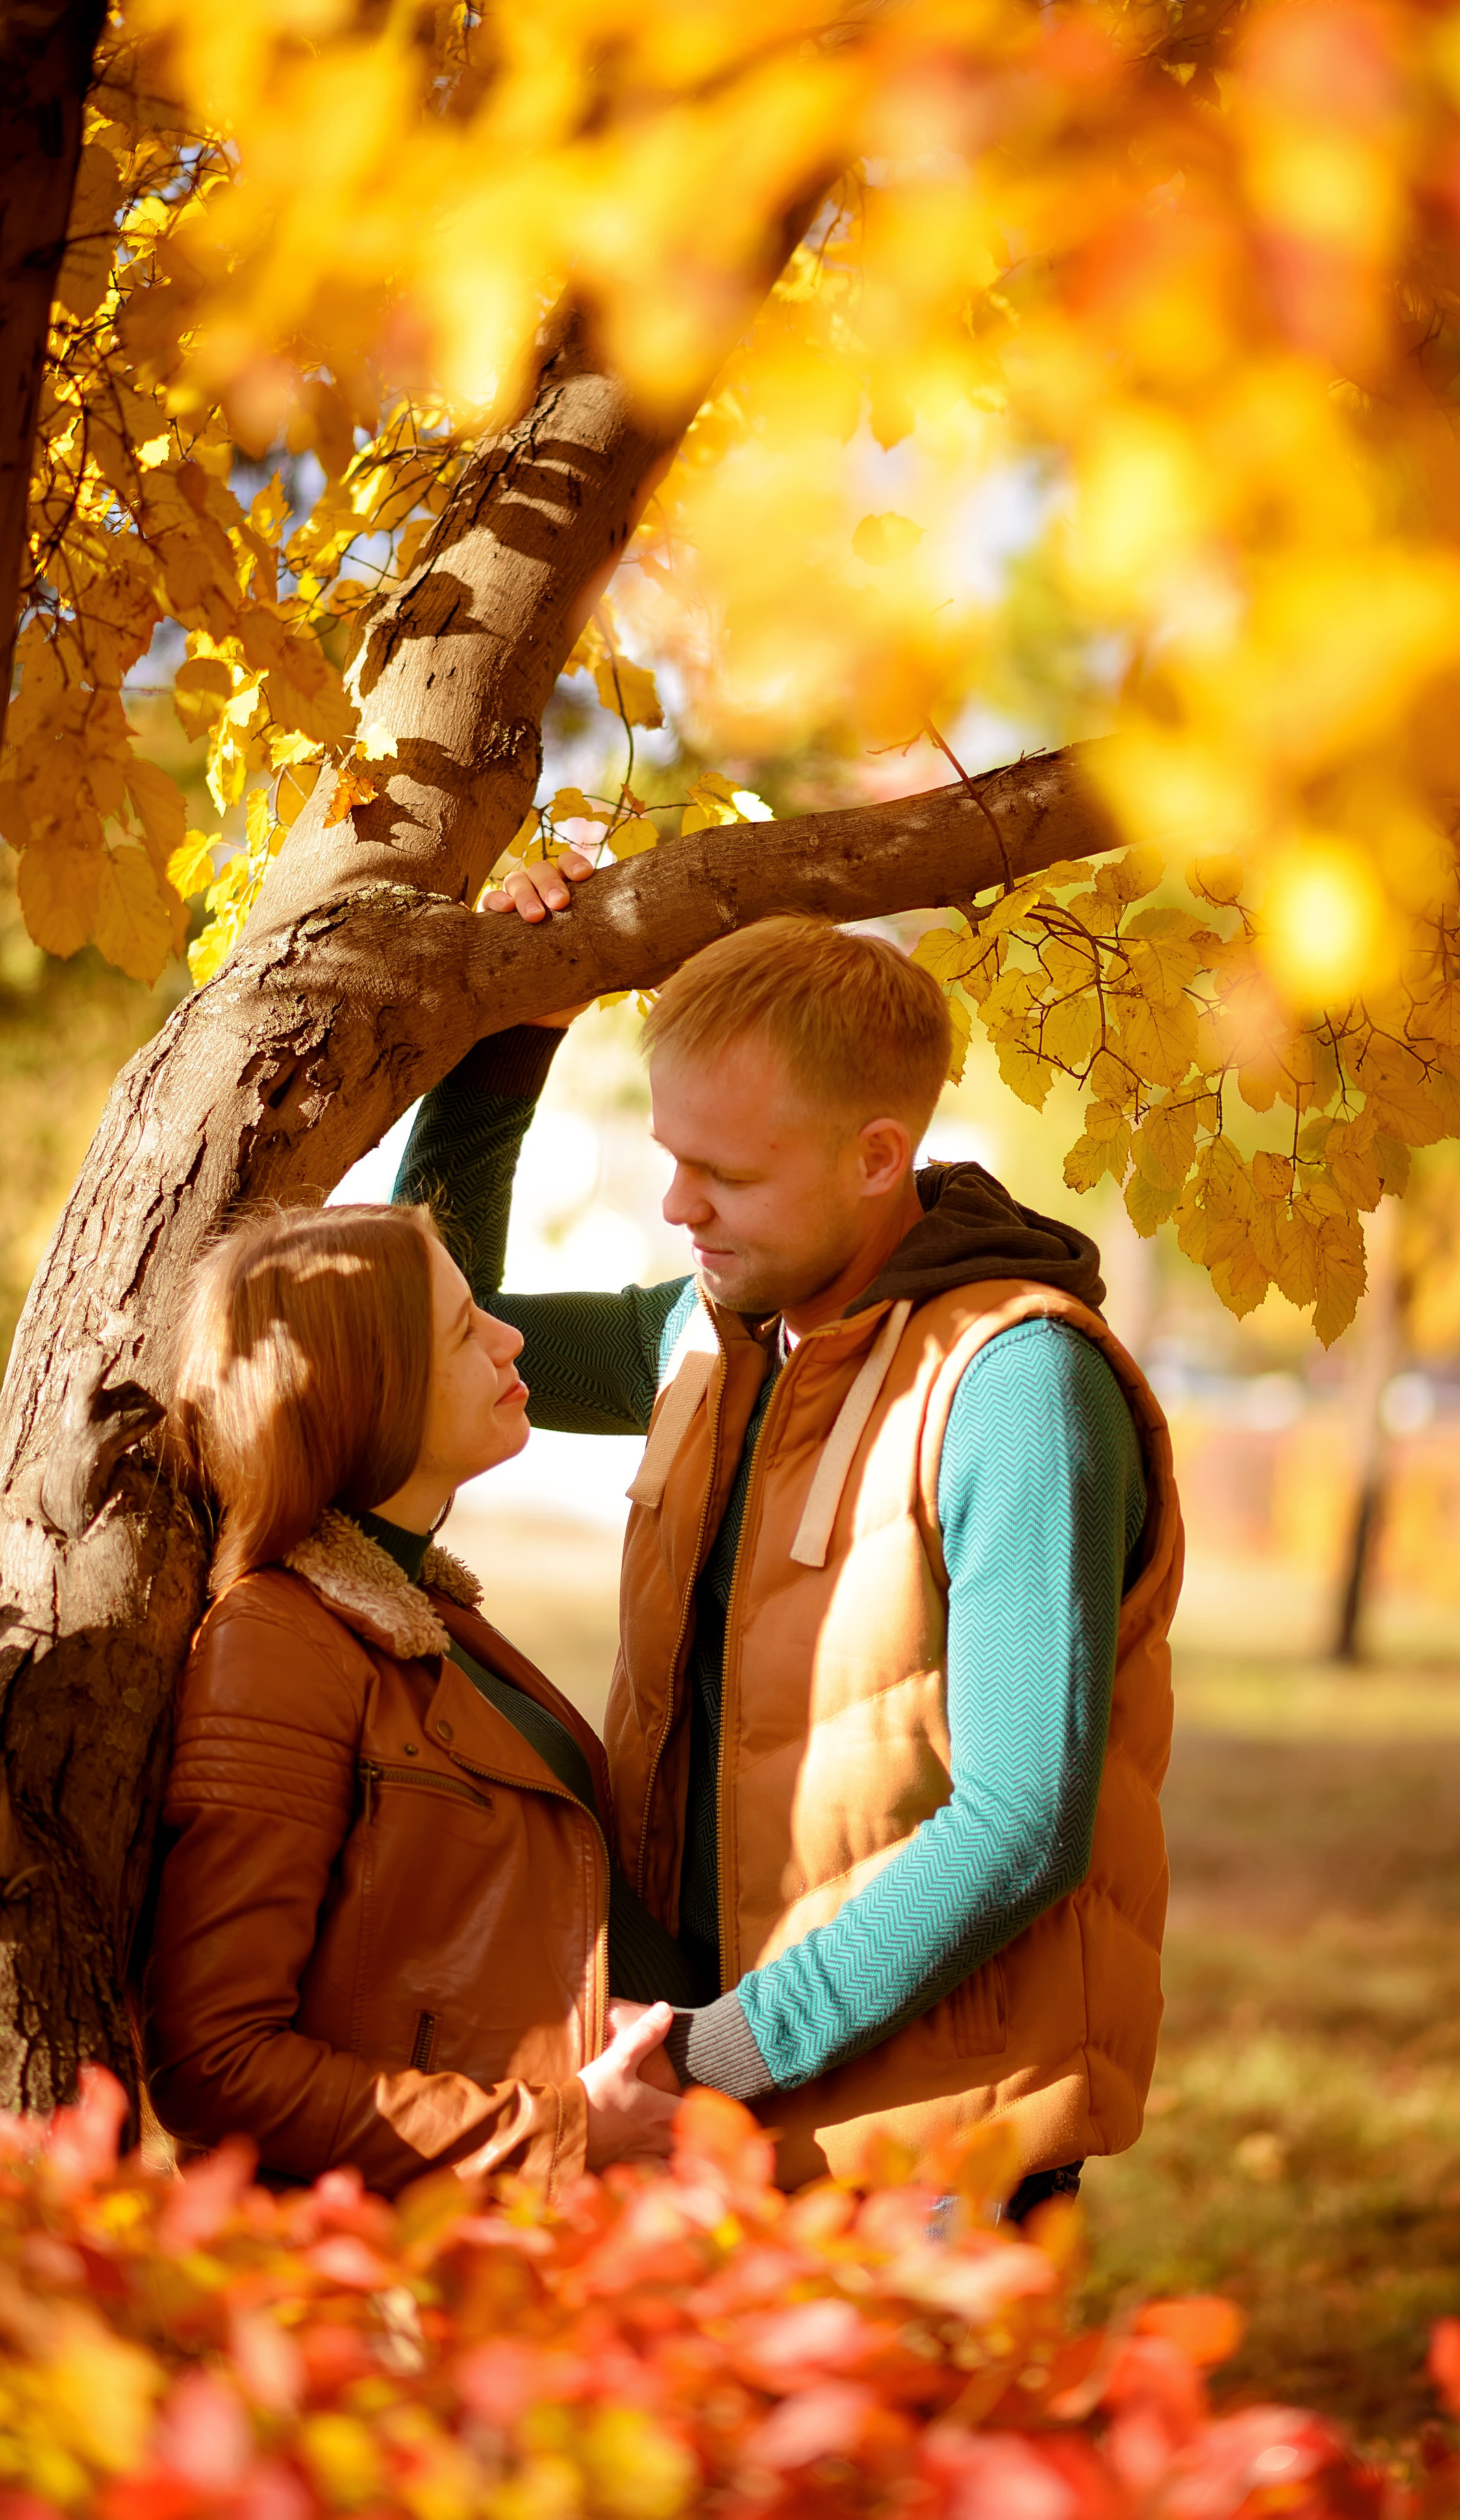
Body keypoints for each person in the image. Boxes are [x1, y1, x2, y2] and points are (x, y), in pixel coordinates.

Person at [394, 906, 1184, 2214]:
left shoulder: (1017, 1388)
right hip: (692, 2120)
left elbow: (1022, 1823)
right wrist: (509, 1040)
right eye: (672, 1156)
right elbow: (427, 1329)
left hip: (924, 2166)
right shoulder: (704, 1338)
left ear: (878, 1156)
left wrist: (717, 2052)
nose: (677, 1204)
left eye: (728, 1173)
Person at [143, 1201, 685, 2197]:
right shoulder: (277, 1641)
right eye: (463, 1329)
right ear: (375, 1390)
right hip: (414, 2252)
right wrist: (556, 2133)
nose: (511, 1337)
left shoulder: (424, 1603)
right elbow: (212, 2064)